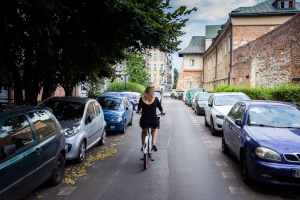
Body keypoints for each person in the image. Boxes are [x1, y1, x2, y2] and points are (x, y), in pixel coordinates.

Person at [136, 86, 165, 152]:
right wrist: (162, 112)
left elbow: (138, 109)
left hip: (144, 121)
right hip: (153, 121)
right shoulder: (156, 99)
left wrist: (138, 111)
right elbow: (160, 108)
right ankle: (153, 143)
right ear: (152, 92)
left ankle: (143, 145)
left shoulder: (141, 99)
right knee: (154, 129)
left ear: (145, 91)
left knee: (144, 131)